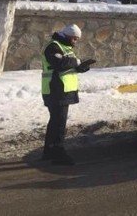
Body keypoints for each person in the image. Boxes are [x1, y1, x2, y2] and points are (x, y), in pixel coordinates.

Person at [41, 23, 93, 165]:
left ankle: (49, 151)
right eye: (74, 38)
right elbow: (59, 63)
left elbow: (67, 68)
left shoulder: (65, 47)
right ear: (68, 36)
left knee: (55, 121)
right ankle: (58, 153)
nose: (75, 41)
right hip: (56, 90)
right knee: (59, 122)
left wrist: (80, 68)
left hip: (62, 90)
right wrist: (76, 61)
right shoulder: (54, 46)